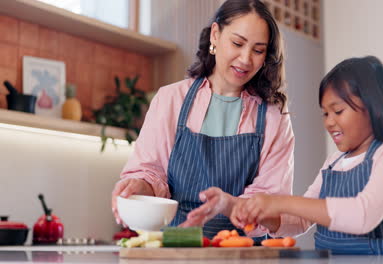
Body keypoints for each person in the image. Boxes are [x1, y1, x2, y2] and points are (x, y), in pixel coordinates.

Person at [111, 0, 294, 240]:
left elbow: (272, 201)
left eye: (258, 50)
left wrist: (234, 207)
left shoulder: (273, 116)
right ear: (215, 35)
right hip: (177, 246)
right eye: (237, 43)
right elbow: (151, 172)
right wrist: (139, 186)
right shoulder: (170, 99)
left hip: (242, 250)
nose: (246, 59)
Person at [230, 56, 383, 254]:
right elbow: (300, 221)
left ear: (373, 107)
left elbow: (362, 215)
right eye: (326, 114)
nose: (329, 122)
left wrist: (278, 202)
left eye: (338, 111)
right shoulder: (333, 163)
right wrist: (264, 215)